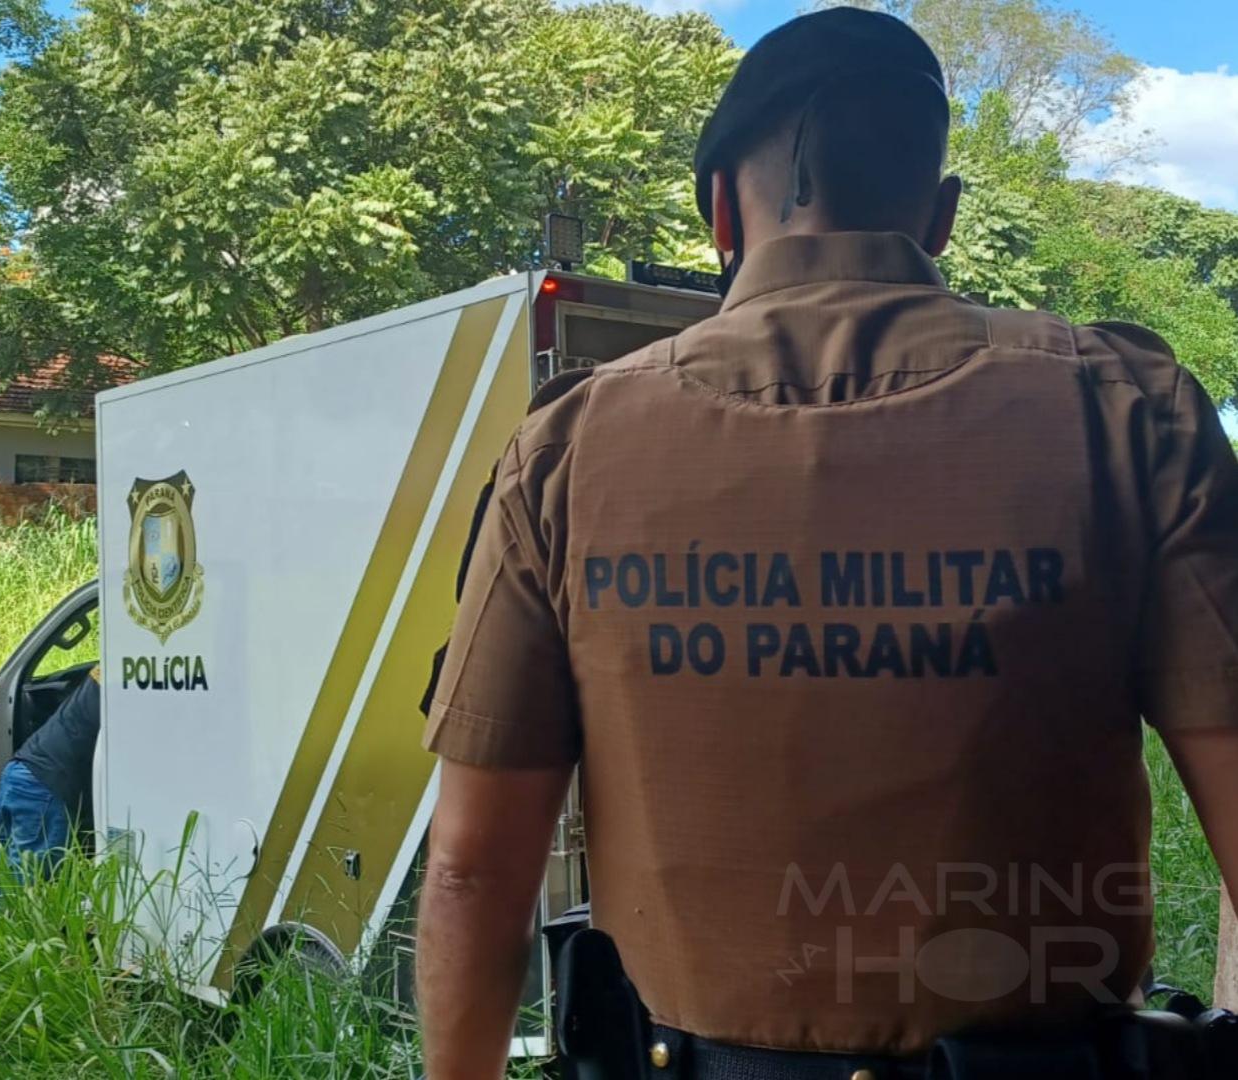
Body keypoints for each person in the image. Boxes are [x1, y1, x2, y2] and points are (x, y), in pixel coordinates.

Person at [414, 7, 1238, 1079]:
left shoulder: (565, 451)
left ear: (720, 212)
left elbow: (475, 870)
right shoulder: (1131, 412)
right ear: (940, 216)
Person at [0, 666, 100, 877]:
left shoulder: (109, 668)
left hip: (24, 773)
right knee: (28, 891)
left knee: (3, 880)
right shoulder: (126, 675)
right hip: (44, 787)